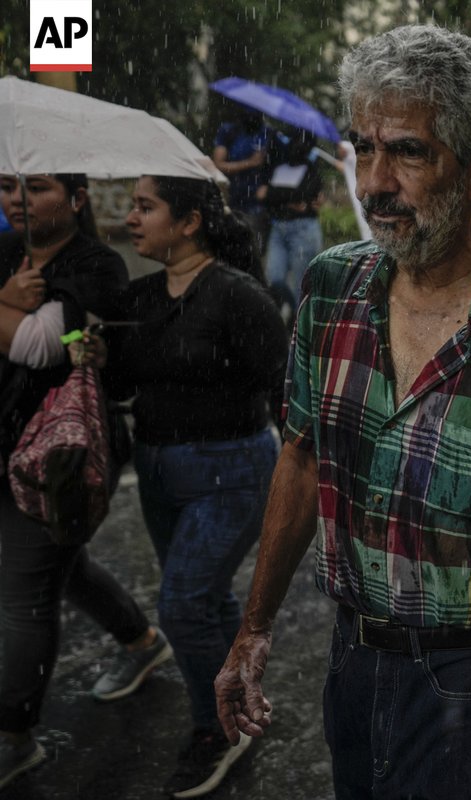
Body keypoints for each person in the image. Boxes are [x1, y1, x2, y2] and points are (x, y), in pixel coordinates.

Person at [213, 24, 471, 800]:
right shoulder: (331, 287)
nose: (372, 182)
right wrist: (254, 627)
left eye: (406, 152)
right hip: (352, 658)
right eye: (363, 147)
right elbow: (300, 459)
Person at [74, 175, 288, 798]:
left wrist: (311, 485)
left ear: (190, 220)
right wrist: (90, 355)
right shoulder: (136, 297)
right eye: (134, 208)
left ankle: (216, 730)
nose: (133, 219)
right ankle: (239, 704)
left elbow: (281, 390)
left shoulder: (238, 297)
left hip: (233, 467)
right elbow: (119, 390)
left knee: (183, 605)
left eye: (146, 207)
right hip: (159, 469)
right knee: (209, 598)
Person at [0, 173, 169, 791]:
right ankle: (141, 639)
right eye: (6, 187)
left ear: (75, 199)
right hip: (4, 438)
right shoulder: (6, 256)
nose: (16, 199)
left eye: (36, 187)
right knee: (57, 568)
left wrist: (11, 307)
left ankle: (14, 737)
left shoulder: (95, 265)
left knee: (23, 597)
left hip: (58, 453)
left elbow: (40, 346)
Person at [259, 127, 325, 314]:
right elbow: (263, 196)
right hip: (278, 229)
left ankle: (297, 329)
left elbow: (305, 195)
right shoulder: (279, 167)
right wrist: (291, 201)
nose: (298, 146)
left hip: (304, 231)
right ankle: (288, 316)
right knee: (274, 279)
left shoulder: (311, 169)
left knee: (301, 286)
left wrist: (276, 195)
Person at [212, 109, 272, 247]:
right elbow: (219, 164)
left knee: (253, 247)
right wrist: (250, 162)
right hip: (230, 199)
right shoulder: (229, 130)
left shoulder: (267, 132)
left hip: (256, 203)